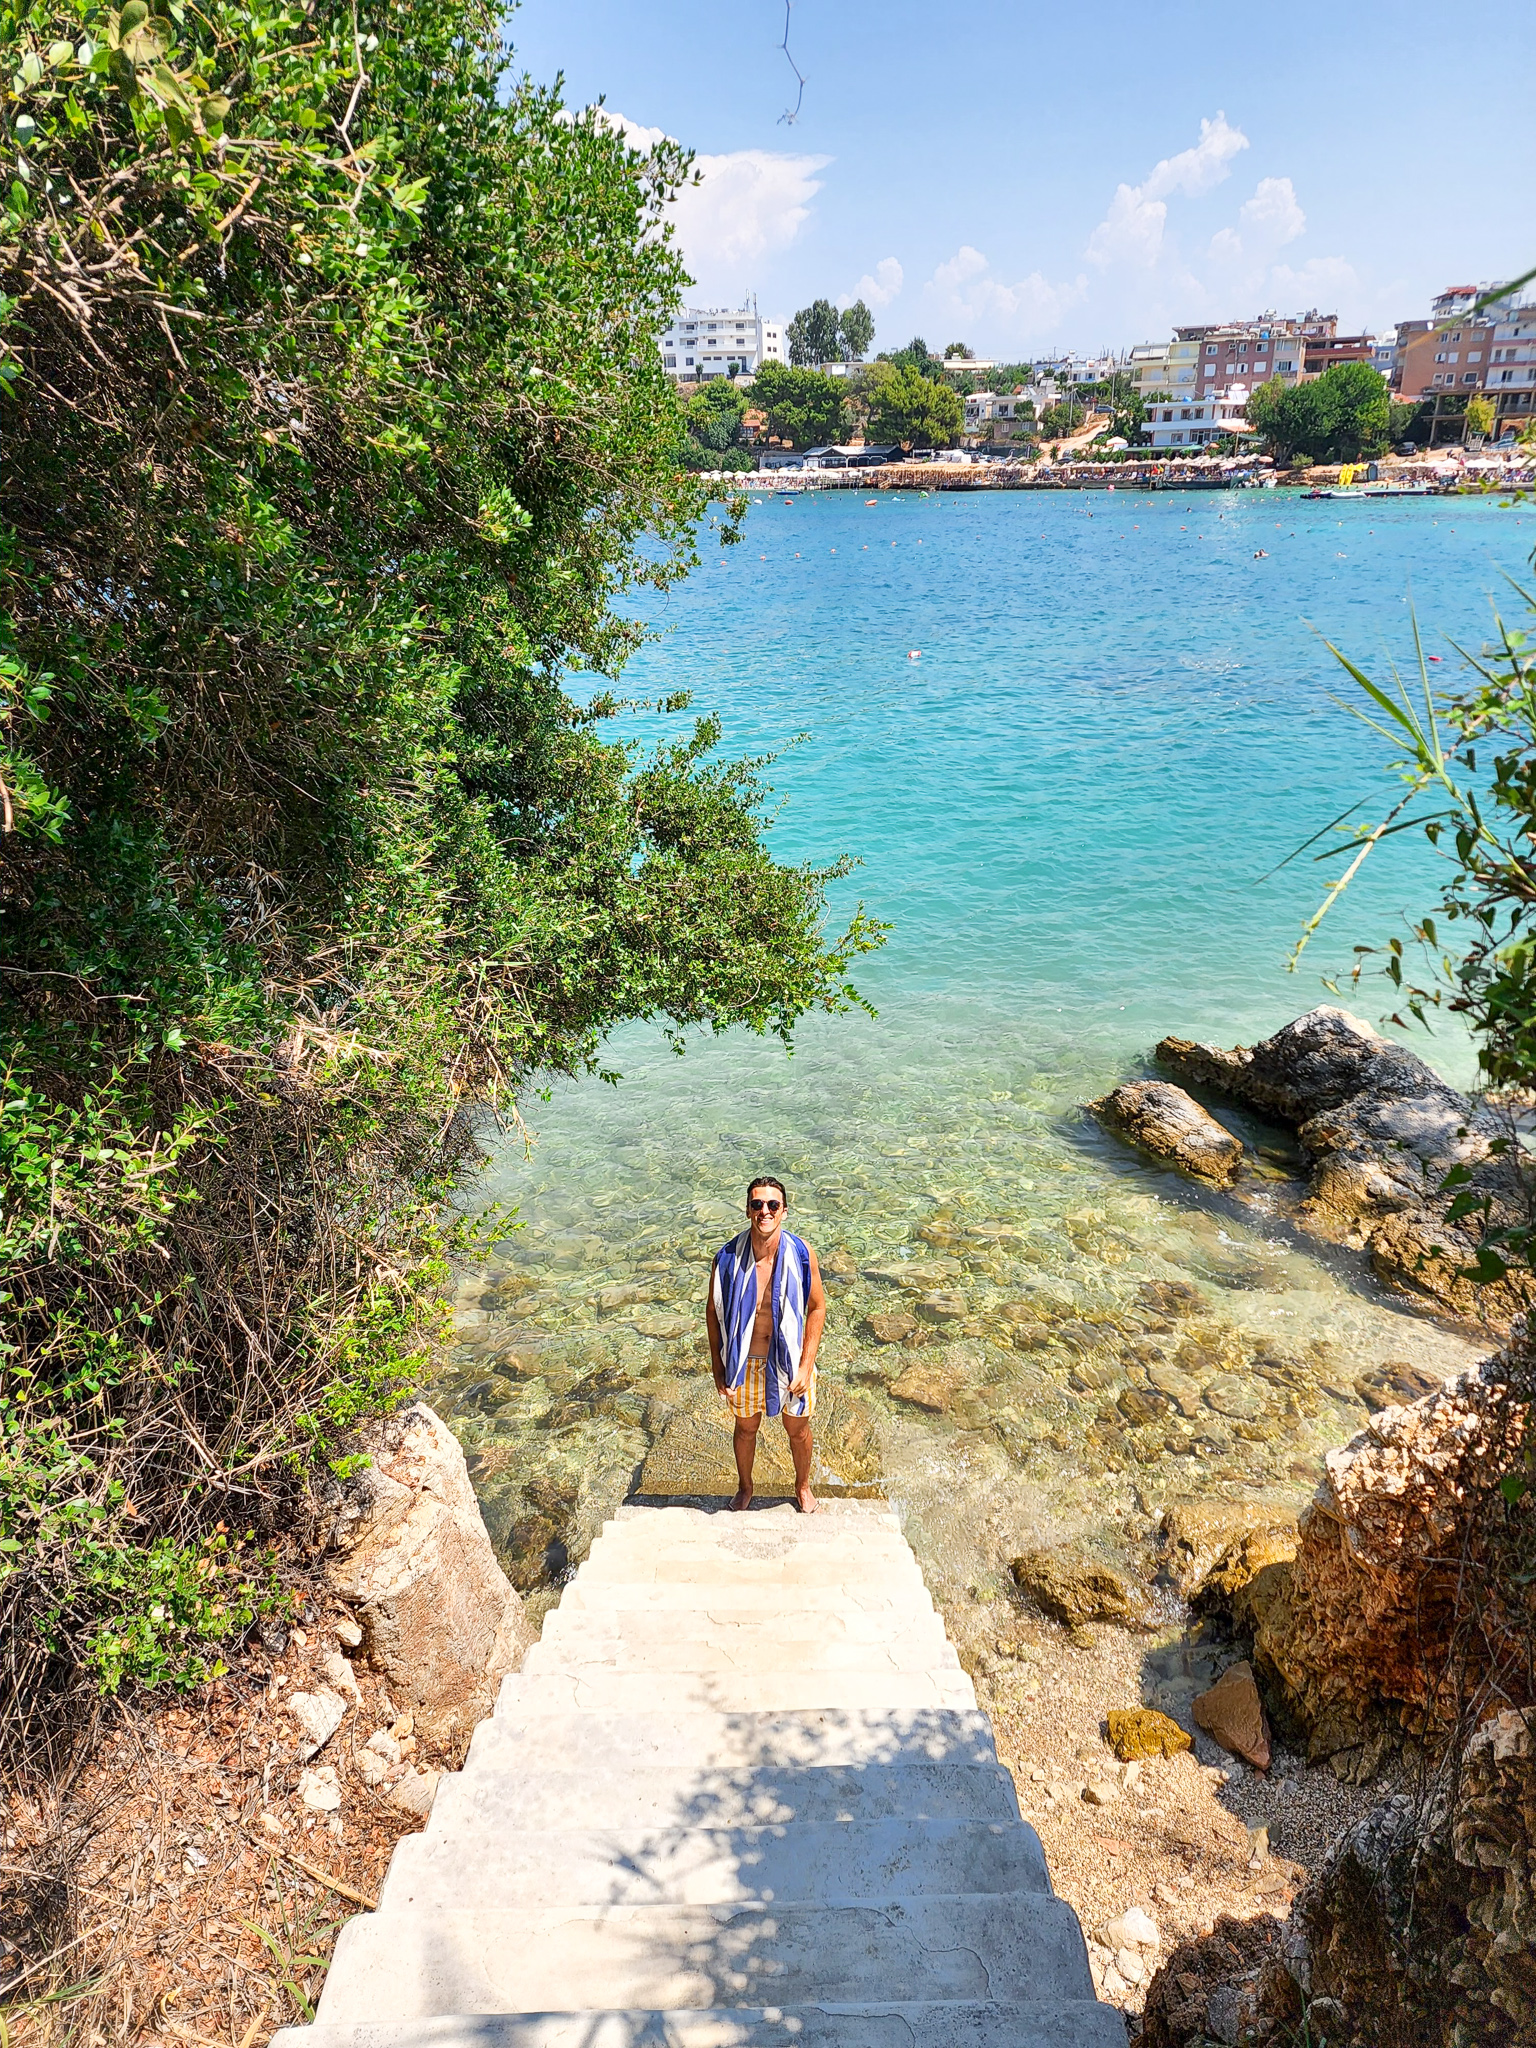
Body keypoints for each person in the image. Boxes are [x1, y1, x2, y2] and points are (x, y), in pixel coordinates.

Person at [705, 1176, 826, 1514]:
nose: (765, 1211)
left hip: (790, 1363)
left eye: (773, 1205)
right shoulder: (727, 1258)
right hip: (745, 1363)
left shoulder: (801, 1253)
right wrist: (718, 1367)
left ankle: (802, 1486)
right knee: (745, 1430)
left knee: (798, 1429)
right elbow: (713, 1314)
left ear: (784, 1211)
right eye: (757, 1204)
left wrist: (805, 1364)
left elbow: (817, 1307)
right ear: (748, 1210)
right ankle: (746, 1487)